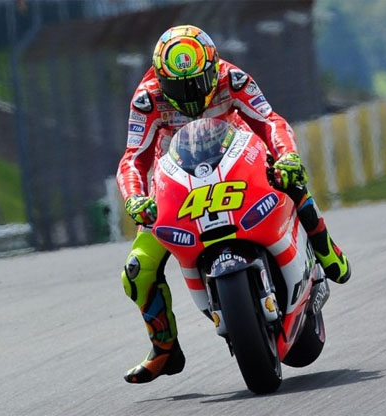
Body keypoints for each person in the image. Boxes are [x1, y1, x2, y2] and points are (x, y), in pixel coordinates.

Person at [116, 25, 350, 384]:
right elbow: (133, 158)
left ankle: (326, 250)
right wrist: (135, 198)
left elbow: (270, 121)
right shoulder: (147, 99)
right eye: (178, 87)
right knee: (136, 270)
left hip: (238, 162)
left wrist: (286, 155)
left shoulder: (233, 78)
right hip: (176, 184)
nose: (191, 95)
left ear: (212, 69)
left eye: (197, 83)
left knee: (289, 178)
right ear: (162, 81)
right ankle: (164, 349)